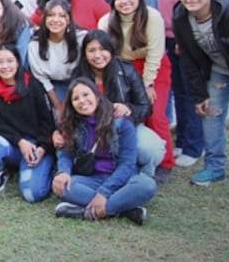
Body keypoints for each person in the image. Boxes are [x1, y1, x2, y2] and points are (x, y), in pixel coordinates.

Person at [99, 0, 175, 184]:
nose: (124, 1)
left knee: (155, 113)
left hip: (154, 67)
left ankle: (165, 163)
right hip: (122, 68)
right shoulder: (106, 21)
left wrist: (148, 83)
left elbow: (155, 51)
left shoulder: (152, 16)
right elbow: (106, 53)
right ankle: (134, 158)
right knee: (127, 111)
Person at [52, 77, 157, 225]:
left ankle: (86, 213)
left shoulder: (121, 123)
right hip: (92, 179)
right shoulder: (72, 124)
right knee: (62, 186)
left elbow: (127, 164)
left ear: (96, 96)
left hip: (121, 179)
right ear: (72, 105)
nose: (82, 101)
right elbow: (66, 154)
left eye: (86, 95)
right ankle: (125, 209)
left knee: (147, 185)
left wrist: (104, 193)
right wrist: (63, 172)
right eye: (76, 99)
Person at [173, 0, 229, 187]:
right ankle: (215, 168)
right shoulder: (181, 17)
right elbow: (189, 59)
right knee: (211, 114)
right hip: (221, 71)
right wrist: (200, 95)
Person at [72, 31, 165, 178]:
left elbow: (146, 107)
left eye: (102, 49)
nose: (97, 55)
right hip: (92, 128)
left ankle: (144, 176)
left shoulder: (126, 70)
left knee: (150, 149)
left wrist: (129, 109)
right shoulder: (78, 75)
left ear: (111, 50)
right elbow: (73, 108)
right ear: (84, 54)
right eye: (91, 50)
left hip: (125, 125)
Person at [0, 45, 55, 202]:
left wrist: (41, 148)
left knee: (32, 194)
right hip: (13, 143)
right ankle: (2, 170)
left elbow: (47, 122)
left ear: (18, 62)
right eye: (0, 62)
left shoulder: (33, 86)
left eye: (9, 61)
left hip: (37, 145)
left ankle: (45, 168)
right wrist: (20, 142)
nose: (5, 66)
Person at [158, 0, 203, 168]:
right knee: (177, 92)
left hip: (183, 43)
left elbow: (195, 11)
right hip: (166, 41)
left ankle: (194, 147)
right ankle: (183, 141)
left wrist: (183, 41)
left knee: (188, 94)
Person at [27, 0, 86, 118]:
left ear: (68, 19)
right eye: (51, 15)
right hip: (53, 86)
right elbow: (42, 79)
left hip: (79, 82)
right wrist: (59, 107)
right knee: (57, 117)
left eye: (62, 16)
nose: (55, 20)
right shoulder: (35, 45)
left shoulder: (81, 39)